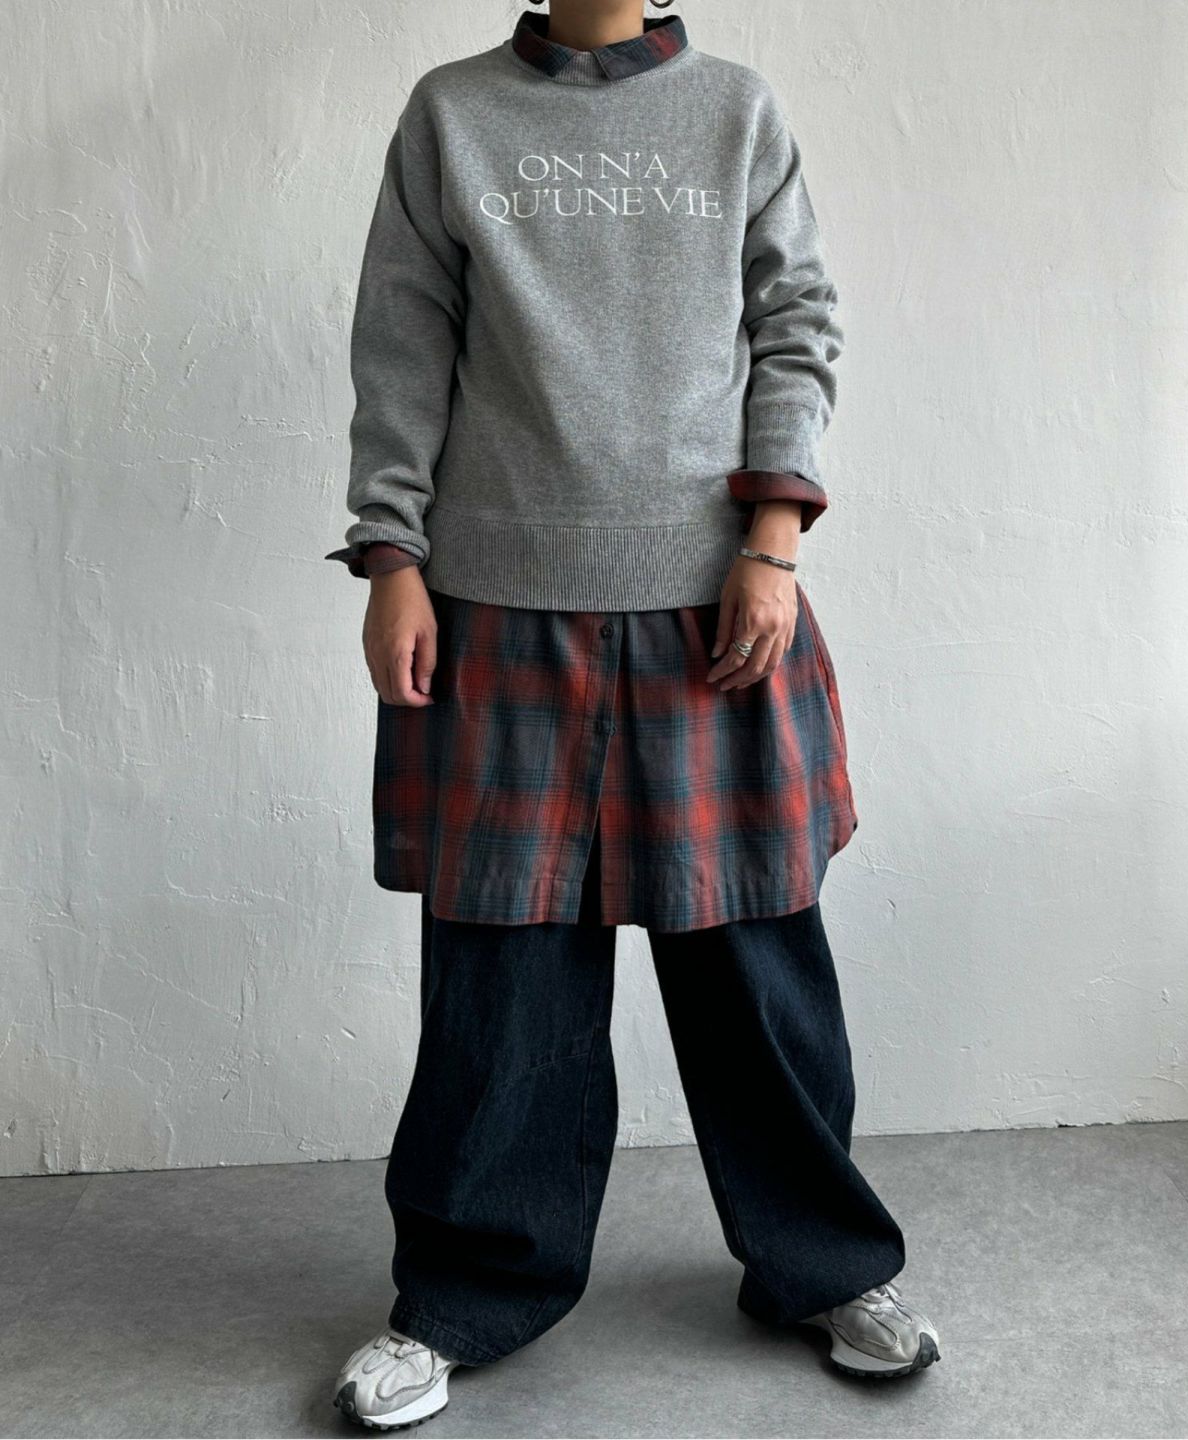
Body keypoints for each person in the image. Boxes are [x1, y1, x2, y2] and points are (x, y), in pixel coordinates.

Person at [323, 2, 940, 1428]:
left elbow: (797, 322)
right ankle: (463, 1297)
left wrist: (774, 540)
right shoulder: (452, 113)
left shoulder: (737, 109)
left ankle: (826, 1264)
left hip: (712, 604)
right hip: (496, 600)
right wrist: (392, 555)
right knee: (500, 987)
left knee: (757, 966)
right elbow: (402, 340)